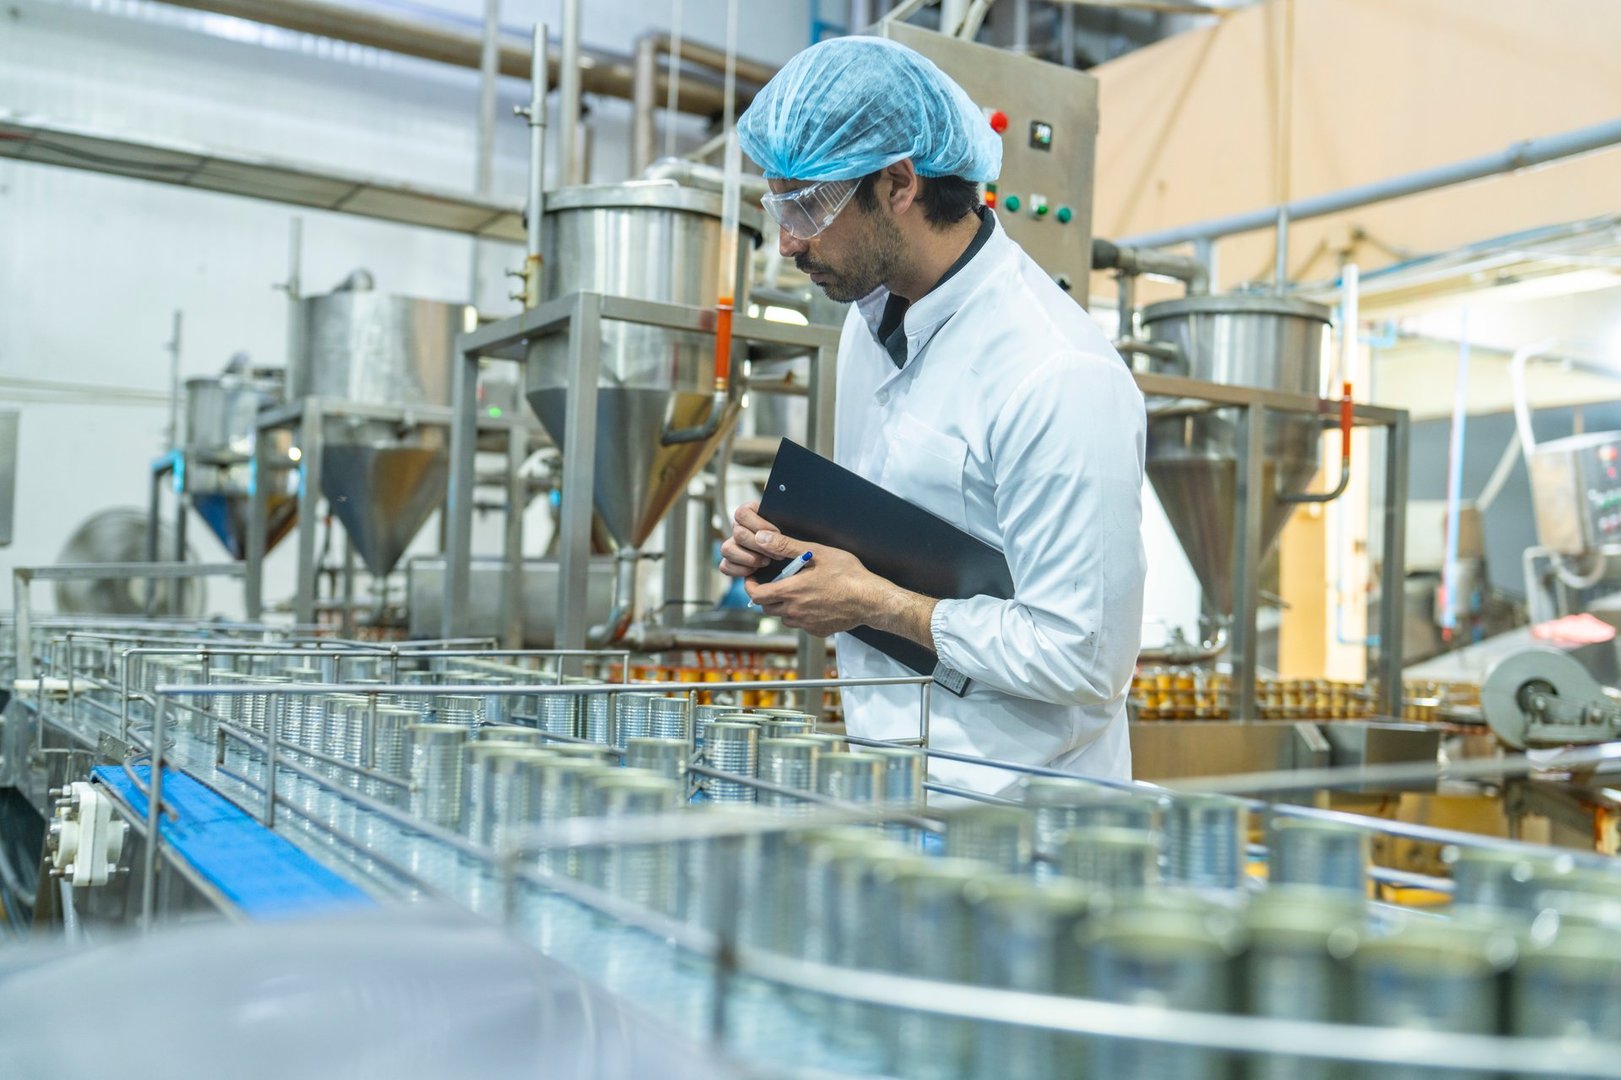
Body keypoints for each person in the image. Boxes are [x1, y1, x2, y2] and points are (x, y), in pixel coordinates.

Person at [719, 36, 1146, 793]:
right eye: (777, 204)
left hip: (1015, 812)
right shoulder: (867, 319)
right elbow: (902, 521)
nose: (786, 242)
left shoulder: (1056, 373)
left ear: (897, 184)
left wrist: (870, 601)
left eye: (808, 205)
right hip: (886, 777)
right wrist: (796, 552)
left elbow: (1083, 656)